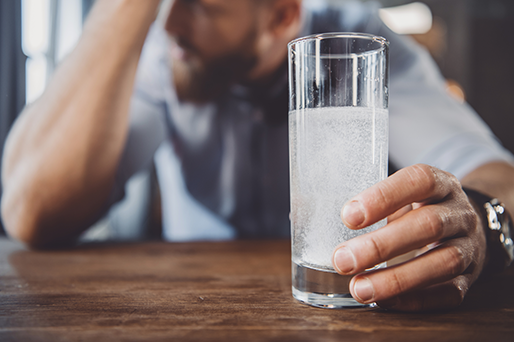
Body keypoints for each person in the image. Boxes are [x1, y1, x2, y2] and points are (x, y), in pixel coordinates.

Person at [2, 0, 514, 312]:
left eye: (199, 3)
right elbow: (30, 211)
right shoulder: (170, 56)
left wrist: (477, 223)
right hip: (195, 313)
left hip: (352, 307)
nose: (170, 22)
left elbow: (499, 176)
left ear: (282, 15)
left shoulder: (363, 50)